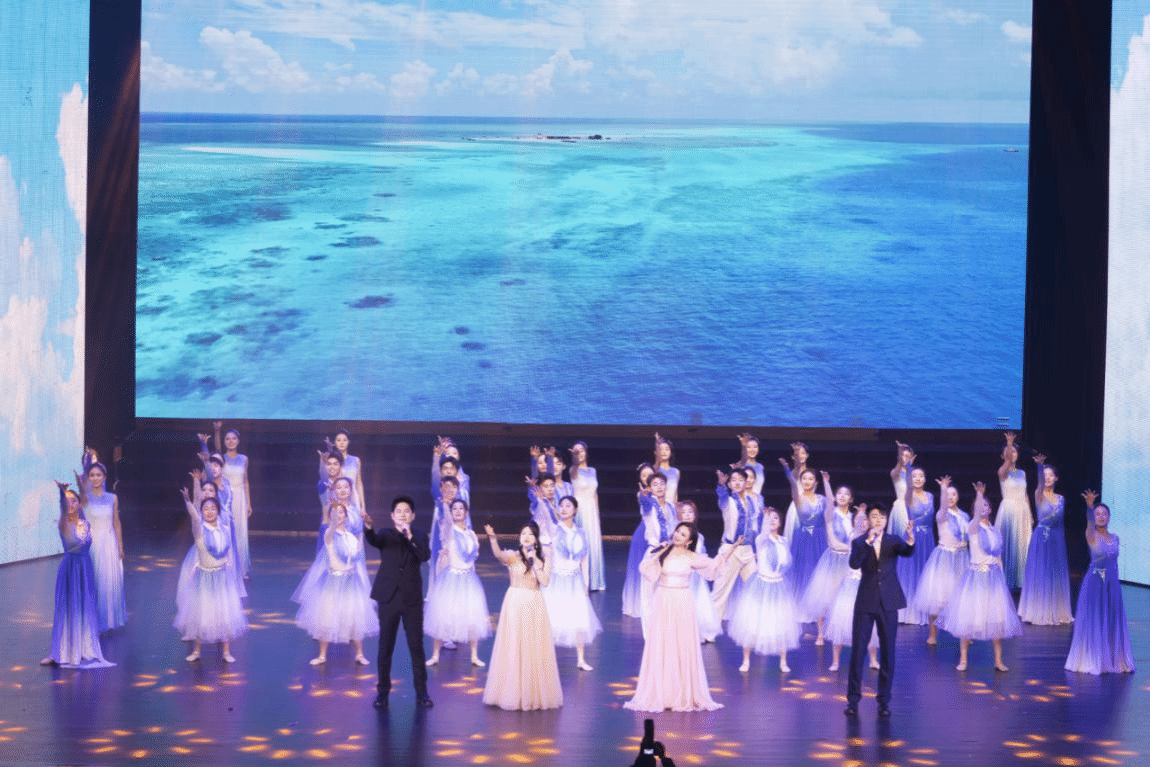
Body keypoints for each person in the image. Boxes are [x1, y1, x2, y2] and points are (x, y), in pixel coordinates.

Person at [625, 523, 737, 712]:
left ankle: (682, 694)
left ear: (689, 541)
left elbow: (713, 566)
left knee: (680, 645)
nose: (677, 535)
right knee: (663, 644)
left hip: (682, 602)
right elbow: (646, 570)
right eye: (677, 531)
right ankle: (661, 693)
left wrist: (731, 549)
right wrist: (658, 553)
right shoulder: (664, 550)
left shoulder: (691, 557)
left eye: (683, 534)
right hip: (663, 600)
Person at [937, 483, 1022, 671]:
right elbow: (976, 517)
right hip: (976, 577)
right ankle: (963, 660)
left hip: (993, 578)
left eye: (986, 505)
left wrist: (1000, 577)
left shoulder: (994, 530)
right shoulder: (972, 527)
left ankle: (998, 661)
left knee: (996, 620)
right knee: (968, 619)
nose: (983, 508)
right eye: (979, 505)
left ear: (990, 509)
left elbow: (997, 556)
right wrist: (979, 495)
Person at [482, 522, 563, 711]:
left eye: (530, 534)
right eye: (523, 533)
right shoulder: (513, 557)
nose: (526, 536)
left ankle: (532, 694)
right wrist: (493, 539)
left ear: (536, 539)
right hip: (514, 602)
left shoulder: (543, 559)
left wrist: (535, 563)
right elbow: (498, 555)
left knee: (532, 647)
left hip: (533, 603)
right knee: (513, 646)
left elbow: (545, 581)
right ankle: (511, 692)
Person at [844, 503, 915, 718]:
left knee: (888, 653)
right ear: (868, 520)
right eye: (875, 516)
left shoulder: (893, 540)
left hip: (888, 603)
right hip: (866, 603)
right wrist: (867, 541)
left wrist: (910, 538)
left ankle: (884, 701)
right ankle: (853, 701)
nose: (879, 520)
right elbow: (854, 564)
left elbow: (907, 552)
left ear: (886, 520)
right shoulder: (859, 542)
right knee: (858, 652)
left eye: (882, 517)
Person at [364, 496, 433, 710]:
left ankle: (422, 693)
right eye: (399, 511)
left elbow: (424, 555)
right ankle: (382, 693)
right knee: (385, 647)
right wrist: (368, 527)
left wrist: (409, 536)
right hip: (389, 597)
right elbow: (374, 540)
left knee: (416, 648)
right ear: (392, 516)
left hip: (411, 599)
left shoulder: (419, 535)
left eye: (406, 511)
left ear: (412, 515)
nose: (403, 514)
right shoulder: (386, 534)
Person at [40, 481, 114, 669]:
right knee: (66, 609)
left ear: (80, 503)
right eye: (67, 501)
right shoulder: (64, 524)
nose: (70, 504)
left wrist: (81, 486)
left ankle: (82, 648)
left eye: (74, 500)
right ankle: (58, 652)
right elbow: (63, 510)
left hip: (85, 570)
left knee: (83, 609)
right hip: (69, 570)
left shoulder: (86, 524)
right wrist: (61, 493)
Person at [293, 502, 377, 666]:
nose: (338, 515)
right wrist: (331, 520)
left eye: (341, 512)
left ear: (346, 515)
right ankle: (322, 655)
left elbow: (356, 558)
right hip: (333, 582)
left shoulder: (351, 537)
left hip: (350, 582)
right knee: (327, 616)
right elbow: (330, 533)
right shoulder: (329, 534)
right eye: (335, 512)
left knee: (354, 617)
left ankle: (359, 654)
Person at [1064, 491, 1135, 674]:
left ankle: (1113, 658)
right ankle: (1094, 658)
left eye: (1104, 514)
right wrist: (1090, 508)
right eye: (1098, 514)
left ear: (1109, 517)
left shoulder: (1115, 538)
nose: (1101, 516)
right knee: (1095, 620)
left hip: (1112, 585)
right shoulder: (1091, 535)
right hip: (1095, 583)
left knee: (1111, 620)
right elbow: (1089, 523)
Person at [174, 491, 247, 662]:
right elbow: (194, 516)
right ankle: (197, 650)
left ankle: (226, 651)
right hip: (204, 578)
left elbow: (228, 552)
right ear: (201, 512)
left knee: (225, 614)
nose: (209, 511)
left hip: (222, 577)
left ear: (218, 511)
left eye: (213, 508)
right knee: (201, 614)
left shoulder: (225, 530)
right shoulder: (199, 530)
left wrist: (229, 567)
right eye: (205, 509)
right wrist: (187, 500)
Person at [728, 508, 801, 673]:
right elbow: (764, 532)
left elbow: (786, 562)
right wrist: (765, 518)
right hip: (761, 585)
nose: (773, 521)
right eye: (769, 518)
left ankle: (783, 661)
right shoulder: (761, 539)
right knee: (752, 622)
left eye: (776, 518)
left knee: (781, 623)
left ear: (780, 522)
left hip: (778, 585)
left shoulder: (784, 541)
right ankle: (746, 660)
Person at [424, 498, 490, 668]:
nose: (458, 511)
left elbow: (472, 559)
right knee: (444, 617)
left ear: (466, 512)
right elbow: (446, 521)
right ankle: (435, 655)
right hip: (451, 578)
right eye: (455, 509)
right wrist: (446, 506)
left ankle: (474, 656)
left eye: (461, 508)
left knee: (472, 617)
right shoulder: (449, 531)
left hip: (468, 579)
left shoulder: (471, 534)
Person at [540, 496, 601, 670]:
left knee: (578, 619)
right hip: (556, 580)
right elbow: (545, 516)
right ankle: (545, 659)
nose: (564, 509)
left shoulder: (581, 532)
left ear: (575, 510)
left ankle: (581, 659)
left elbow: (584, 561)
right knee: (552, 619)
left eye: (568, 506)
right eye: (561, 506)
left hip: (575, 581)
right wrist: (542, 501)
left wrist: (586, 584)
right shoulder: (554, 529)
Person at [910, 476, 970, 645]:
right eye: (947, 495)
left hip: (961, 557)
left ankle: (965, 633)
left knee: (963, 596)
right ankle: (933, 634)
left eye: (953, 494)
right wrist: (943, 488)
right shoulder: (941, 514)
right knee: (937, 597)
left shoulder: (964, 516)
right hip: (944, 558)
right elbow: (943, 506)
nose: (950, 497)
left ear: (958, 496)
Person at [1017, 455, 1073, 625]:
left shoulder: (1061, 498)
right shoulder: (1039, 494)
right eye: (1045, 475)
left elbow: (1060, 523)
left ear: (1056, 478)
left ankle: (1057, 610)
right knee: (1041, 573)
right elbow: (1041, 484)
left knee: (1055, 574)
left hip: (1056, 540)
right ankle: (1038, 610)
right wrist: (1040, 467)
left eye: (1050, 475)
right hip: (1041, 538)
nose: (1047, 478)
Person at [824, 505, 878, 672]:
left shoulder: (874, 538)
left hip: (866, 584)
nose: (863, 523)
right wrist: (861, 513)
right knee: (841, 622)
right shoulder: (853, 537)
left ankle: (873, 659)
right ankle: (835, 661)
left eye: (866, 520)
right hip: (850, 585)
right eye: (859, 520)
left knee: (870, 624)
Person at [77, 457, 126, 632]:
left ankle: (106, 620)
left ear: (104, 477)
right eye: (92, 475)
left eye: (98, 475)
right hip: (91, 545)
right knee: (92, 582)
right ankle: (90, 622)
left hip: (108, 544)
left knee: (107, 583)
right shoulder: (85, 499)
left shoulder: (112, 498)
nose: (95, 478)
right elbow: (79, 522)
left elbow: (116, 522)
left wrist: (120, 545)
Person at [710, 467, 759, 620]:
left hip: (748, 550)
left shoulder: (751, 501)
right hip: (731, 550)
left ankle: (755, 625)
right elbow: (722, 496)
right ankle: (710, 626)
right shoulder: (728, 502)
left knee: (755, 588)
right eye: (734, 480)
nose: (737, 483)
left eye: (740, 480)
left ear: (746, 482)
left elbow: (754, 526)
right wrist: (721, 485)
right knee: (721, 590)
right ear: (729, 484)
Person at [206, 422, 253, 576]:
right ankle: (226, 566)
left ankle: (241, 568)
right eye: (227, 439)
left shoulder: (244, 459)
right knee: (225, 529)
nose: (231, 441)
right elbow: (217, 449)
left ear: (238, 441)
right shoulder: (222, 459)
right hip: (224, 496)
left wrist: (248, 503)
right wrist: (217, 431)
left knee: (240, 532)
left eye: (233, 439)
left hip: (239, 498)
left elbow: (245, 481)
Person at [675, 500, 722, 643]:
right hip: (683, 575)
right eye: (684, 512)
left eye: (690, 512)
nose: (687, 515)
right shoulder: (676, 535)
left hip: (697, 575)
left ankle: (703, 631)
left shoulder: (699, 536)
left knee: (700, 602)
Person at [780, 457, 827, 595]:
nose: (807, 481)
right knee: (803, 570)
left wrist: (827, 483)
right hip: (803, 538)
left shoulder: (822, 499)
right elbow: (793, 485)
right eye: (804, 479)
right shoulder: (799, 498)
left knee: (818, 571)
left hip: (820, 538)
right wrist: (787, 469)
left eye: (810, 479)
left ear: (816, 482)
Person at [897, 466, 936, 624]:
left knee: (925, 574)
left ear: (925, 479)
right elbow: (908, 489)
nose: (918, 479)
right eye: (914, 476)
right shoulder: (909, 495)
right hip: (913, 536)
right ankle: (910, 613)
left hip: (928, 539)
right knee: (912, 573)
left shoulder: (930, 496)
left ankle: (925, 612)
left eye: (921, 476)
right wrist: (908, 469)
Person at [994, 432, 1033, 589]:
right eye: (1009, 452)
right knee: (1009, 544)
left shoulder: (1022, 473)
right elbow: (1007, 463)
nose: (1012, 454)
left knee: (1022, 546)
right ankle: (1006, 582)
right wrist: (1009, 443)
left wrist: (1030, 514)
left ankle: (1020, 582)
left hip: (1022, 511)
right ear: (1003, 456)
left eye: (1015, 451)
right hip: (1009, 511)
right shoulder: (1002, 472)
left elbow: (1025, 494)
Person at [569, 441, 606, 591]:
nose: (580, 453)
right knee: (583, 543)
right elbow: (574, 472)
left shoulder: (592, 470)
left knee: (594, 544)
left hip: (592, 510)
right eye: (576, 451)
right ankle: (582, 581)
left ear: (586, 452)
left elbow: (595, 494)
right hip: (580, 509)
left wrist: (597, 514)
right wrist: (575, 458)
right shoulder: (573, 470)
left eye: (582, 450)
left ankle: (594, 581)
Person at [887, 441, 915, 535]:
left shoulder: (915, 474)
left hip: (914, 507)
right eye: (903, 456)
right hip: (901, 508)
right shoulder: (896, 473)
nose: (905, 458)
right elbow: (899, 464)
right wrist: (900, 452)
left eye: (908, 456)